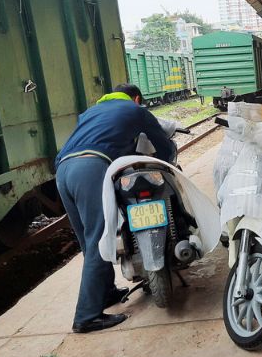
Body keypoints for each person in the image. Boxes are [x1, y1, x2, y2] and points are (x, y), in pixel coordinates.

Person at [55, 84, 175, 333]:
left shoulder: (90, 112)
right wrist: (167, 162)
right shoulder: (135, 109)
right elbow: (161, 144)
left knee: (88, 242)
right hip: (90, 169)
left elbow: (107, 139)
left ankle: (106, 292)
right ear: (137, 98)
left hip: (63, 171)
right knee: (100, 238)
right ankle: (86, 317)